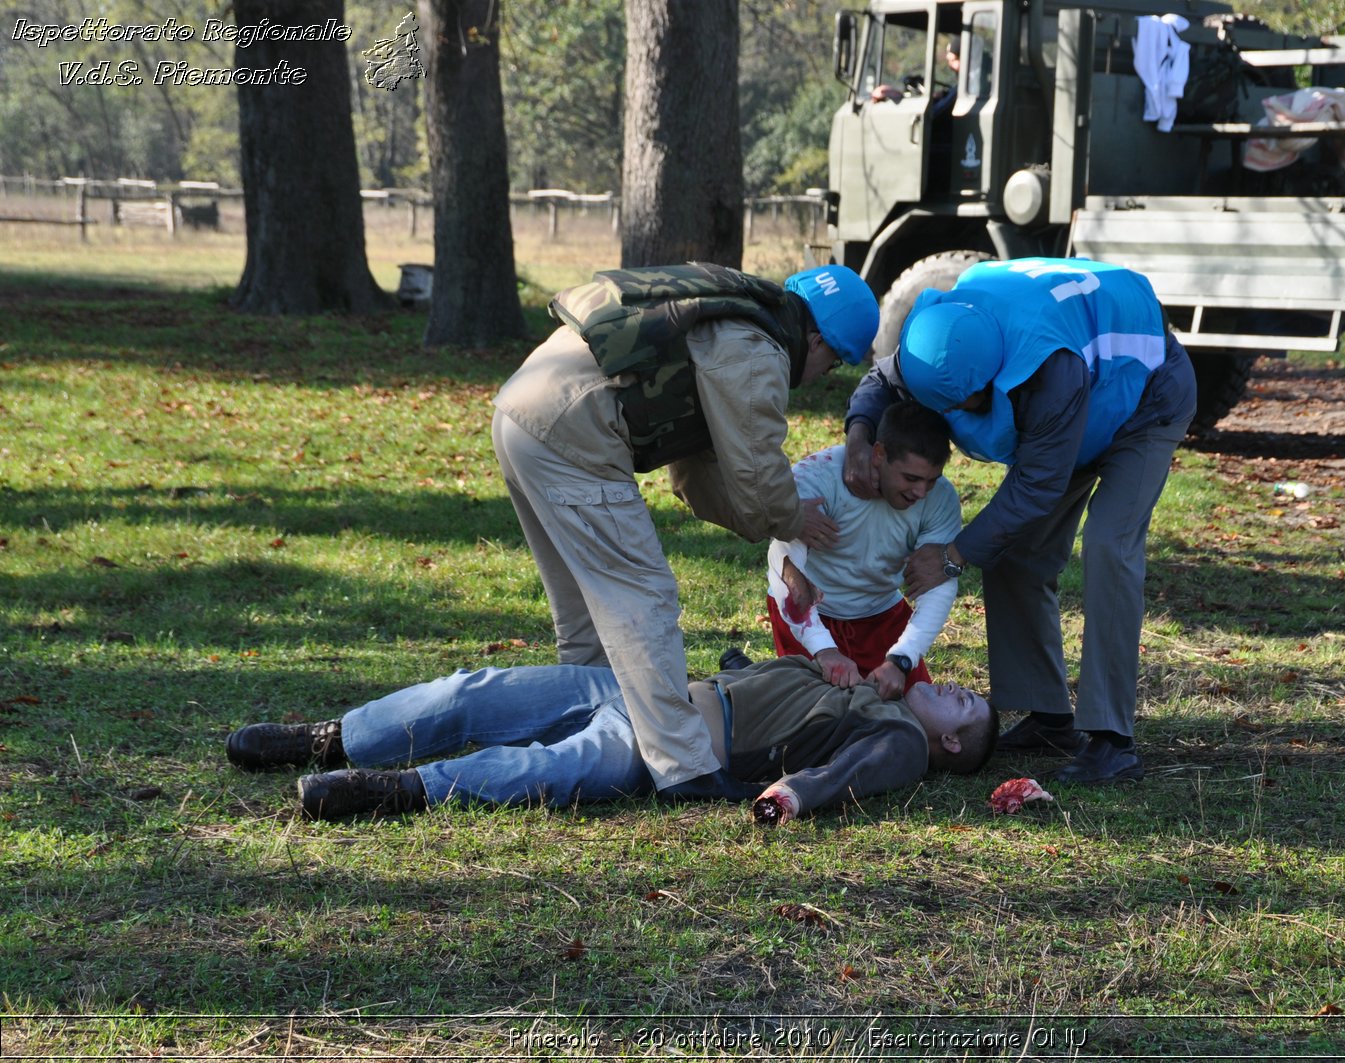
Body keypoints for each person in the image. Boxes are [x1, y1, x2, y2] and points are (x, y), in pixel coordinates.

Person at [491, 262, 879, 803]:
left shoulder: (727, 318)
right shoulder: (758, 350)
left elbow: (694, 473)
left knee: (584, 614)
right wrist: (793, 520)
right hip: (573, 432)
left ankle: (577, 721)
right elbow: (755, 469)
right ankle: (686, 767)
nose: (822, 374)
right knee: (642, 598)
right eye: (833, 361)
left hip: (524, 408)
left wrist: (766, 523)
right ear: (816, 340)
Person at [842, 257, 1196, 785]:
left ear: (989, 381)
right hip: (1079, 399)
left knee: (1109, 545)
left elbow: (1037, 484)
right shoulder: (940, 340)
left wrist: (951, 556)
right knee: (1014, 551)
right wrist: (858, 437)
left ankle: (1112, 740)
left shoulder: (1048, 370)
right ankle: (1048, 715)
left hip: (1144, 398)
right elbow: (880, 381)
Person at [223, 656, 999, 823]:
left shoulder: (900, 740)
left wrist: (791, 797)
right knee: (477, 689)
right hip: (646, 688)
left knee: (546, 768)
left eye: (964, 704)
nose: (955, 686)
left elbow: (853, 770)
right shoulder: (874, 691)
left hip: (666, 746)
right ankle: (329, 740)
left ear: (953, 747)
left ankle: (400, 790)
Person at [765, 401, 962, 701]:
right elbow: (785, 568)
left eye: (931, 481)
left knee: (920, 717)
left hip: (882, 616)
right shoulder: (819, 475)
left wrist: (902, 658)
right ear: (879, 454)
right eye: (910, 478)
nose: (920, 493)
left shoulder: (942, 498)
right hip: (813, 613)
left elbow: (939, 585)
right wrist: (824, 648)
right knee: (817, 720)